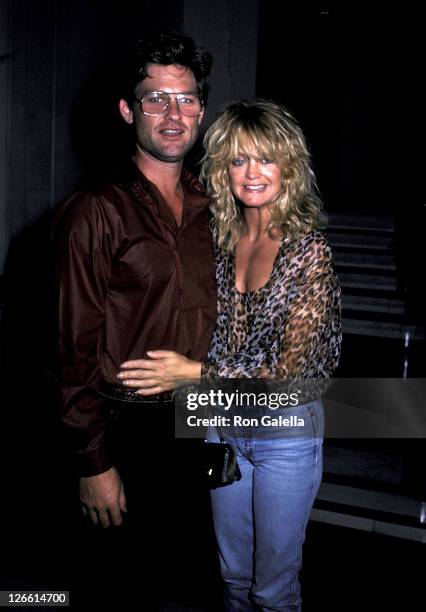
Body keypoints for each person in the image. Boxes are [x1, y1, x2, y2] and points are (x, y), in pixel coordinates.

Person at [118, 99, 342, 611]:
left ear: (289, 165)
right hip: (223, 424)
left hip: (285, 432)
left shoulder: (309, 250)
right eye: (238, 160)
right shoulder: (220, 236)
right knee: (234, 577)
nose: (252, 172)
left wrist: (194, 372)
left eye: (265, 158)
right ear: (222, 169)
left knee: (274, 589)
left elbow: (294, 373)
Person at [52, 31, 217, 607]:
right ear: (128, 110)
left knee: (188, 587)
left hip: (201, 424)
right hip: (123, 431)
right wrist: (91, 462)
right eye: (155, 99)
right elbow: (69, 349)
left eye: (187, 98)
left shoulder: (214, 209)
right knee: (113, 591)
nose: (174, 114)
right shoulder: (95, 210)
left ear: (201, 109)